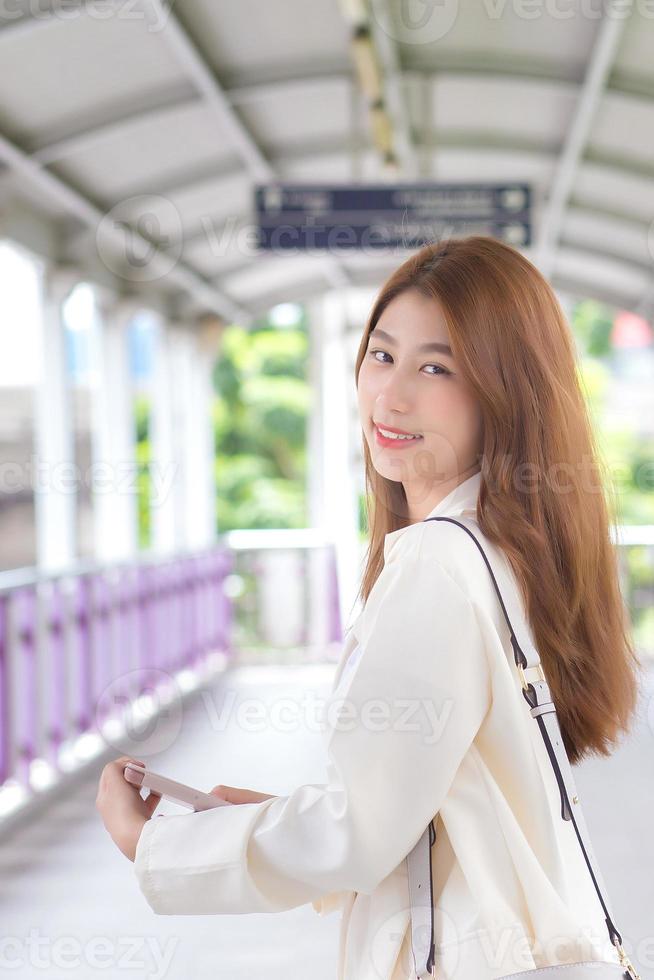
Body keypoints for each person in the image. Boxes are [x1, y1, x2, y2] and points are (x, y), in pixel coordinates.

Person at [96, 235, 642, 980]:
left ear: (505, 391)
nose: (391, 395)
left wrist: (153, 847)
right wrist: (285, 815)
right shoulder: (502, 550)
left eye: (436, 367)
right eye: (381, 356)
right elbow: (415, 810)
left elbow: (359, 835)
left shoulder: (439, 565)